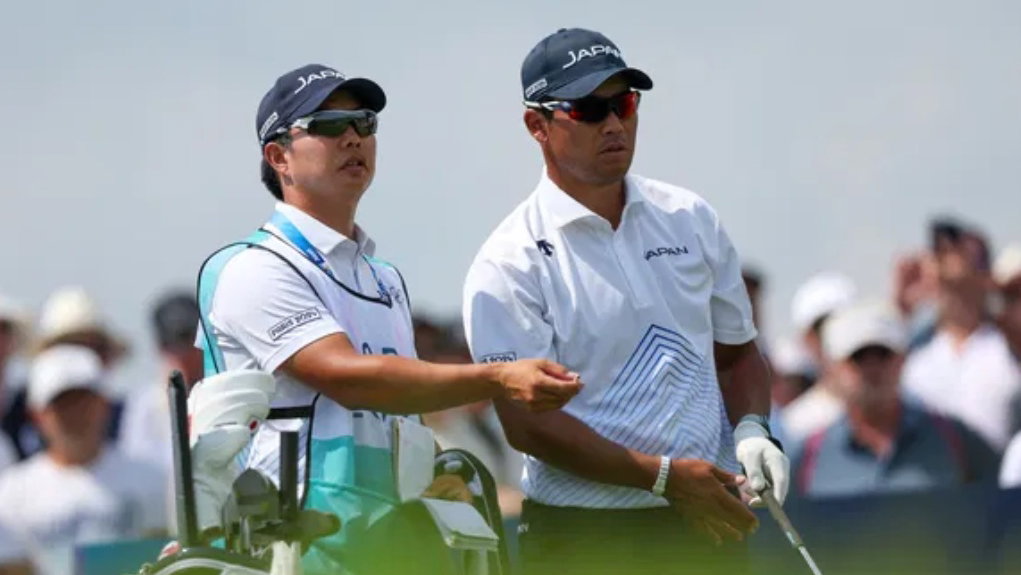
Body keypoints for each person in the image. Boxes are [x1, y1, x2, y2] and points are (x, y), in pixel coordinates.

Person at [195, 63, 581, 575]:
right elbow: (351, 380)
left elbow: (401, 411)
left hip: (384, 549)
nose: (354, 137)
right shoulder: (251, 268)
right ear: (278, 156)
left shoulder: (384, 279)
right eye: (330, 125)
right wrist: (498, 377)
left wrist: (433, 481)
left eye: (365, 124)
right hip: (284, 556)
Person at [462, 28, 787, 575]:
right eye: (589, 109)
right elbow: (527, 425)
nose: (614, 123)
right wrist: (662, 478)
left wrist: (753, 429)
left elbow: (736, 353)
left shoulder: (690, 217)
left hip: (709, 518)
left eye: (625, 103)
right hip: (585, 536)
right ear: (536, 125)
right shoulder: (509, 261)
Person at [790, 300, 999, 498]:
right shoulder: (807, 458)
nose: (872, 369)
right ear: (833, 368)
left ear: (902, 359)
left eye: (883, 354)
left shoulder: (954, 437)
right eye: (858, 357)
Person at [0, 346, 166, 575]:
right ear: (37, 415)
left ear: (104, 404)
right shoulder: (10, 494)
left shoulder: (153, 479)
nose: (75, 414)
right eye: (62, 405)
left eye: (84, 401)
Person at [901, 223, 1021, 451]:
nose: (951, 254)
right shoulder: (913, 353)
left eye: (963, 248)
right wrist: (900, 310)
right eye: (940, 250)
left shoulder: (1009, 342)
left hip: (1002, 483)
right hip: (937, 482)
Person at [121, 291, 203, 475]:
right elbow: (138, 465)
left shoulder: (224, 394)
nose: (186, 354)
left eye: (191, 340)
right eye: (176, 344)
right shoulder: (144, 406)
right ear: (161, 347)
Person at [778, 271, 856, 448]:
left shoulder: (903, 405)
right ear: (806, 339)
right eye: (823, 328)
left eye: (845, 324)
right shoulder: (794, 426)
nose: (836, 337)